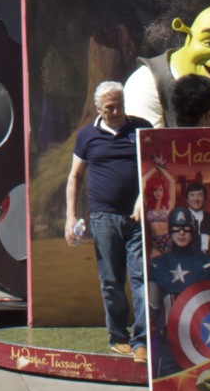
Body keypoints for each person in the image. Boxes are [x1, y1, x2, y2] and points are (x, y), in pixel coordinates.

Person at [65, 81, 151, 363]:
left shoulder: (141, 128)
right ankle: (118, 336)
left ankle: (142, 341)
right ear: (98, 108)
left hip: (137, 217)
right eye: (109, 107)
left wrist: (143, 197)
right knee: (112, 280)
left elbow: (155, 168)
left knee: (141, 279)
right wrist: (71, 216)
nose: (115, 112)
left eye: (119, 106)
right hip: (103, 217)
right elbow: (75, 176)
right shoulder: (87, 135)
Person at [148, 207, 210, 375]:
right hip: (168, 343)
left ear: (193, 231)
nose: (182, 233)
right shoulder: (157, 265)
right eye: (177, 228)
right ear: (170, 231)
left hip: (201, 342)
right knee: (165, 388)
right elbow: (153, 308)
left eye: (186, 228)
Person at [184, 182, 210, 253]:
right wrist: (207, 238)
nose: (196, 199)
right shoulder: (181, 218)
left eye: (200, 195)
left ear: (205, 199)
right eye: (192, 195)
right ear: (187, 199)